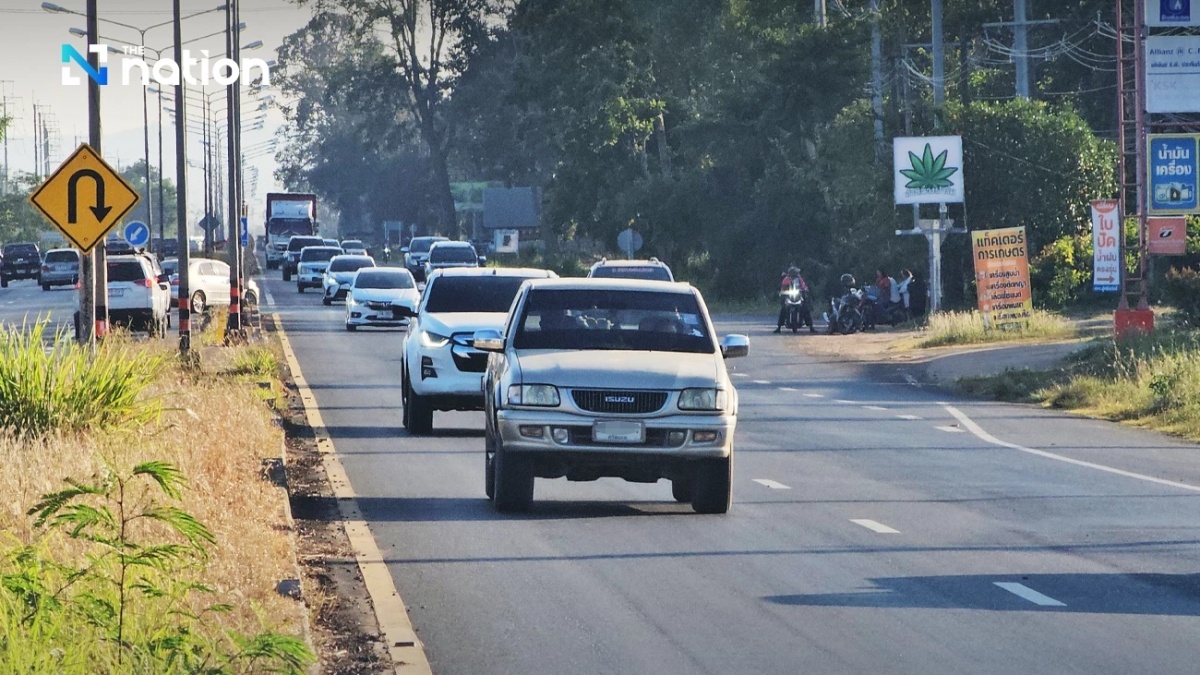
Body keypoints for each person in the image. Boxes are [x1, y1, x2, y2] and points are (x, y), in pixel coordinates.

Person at [774, 265, 814, 333]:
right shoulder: (786, 279)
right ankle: (779, 327)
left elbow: (803, 286)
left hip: (798, 296)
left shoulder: (799, 279)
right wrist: (782, 291)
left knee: (806, 308)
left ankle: (811, 327)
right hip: (789, 296)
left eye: (795, 272)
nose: (795, 274)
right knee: (783, 309)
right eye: (793, 272)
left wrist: (805, 289)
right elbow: (783, 287)